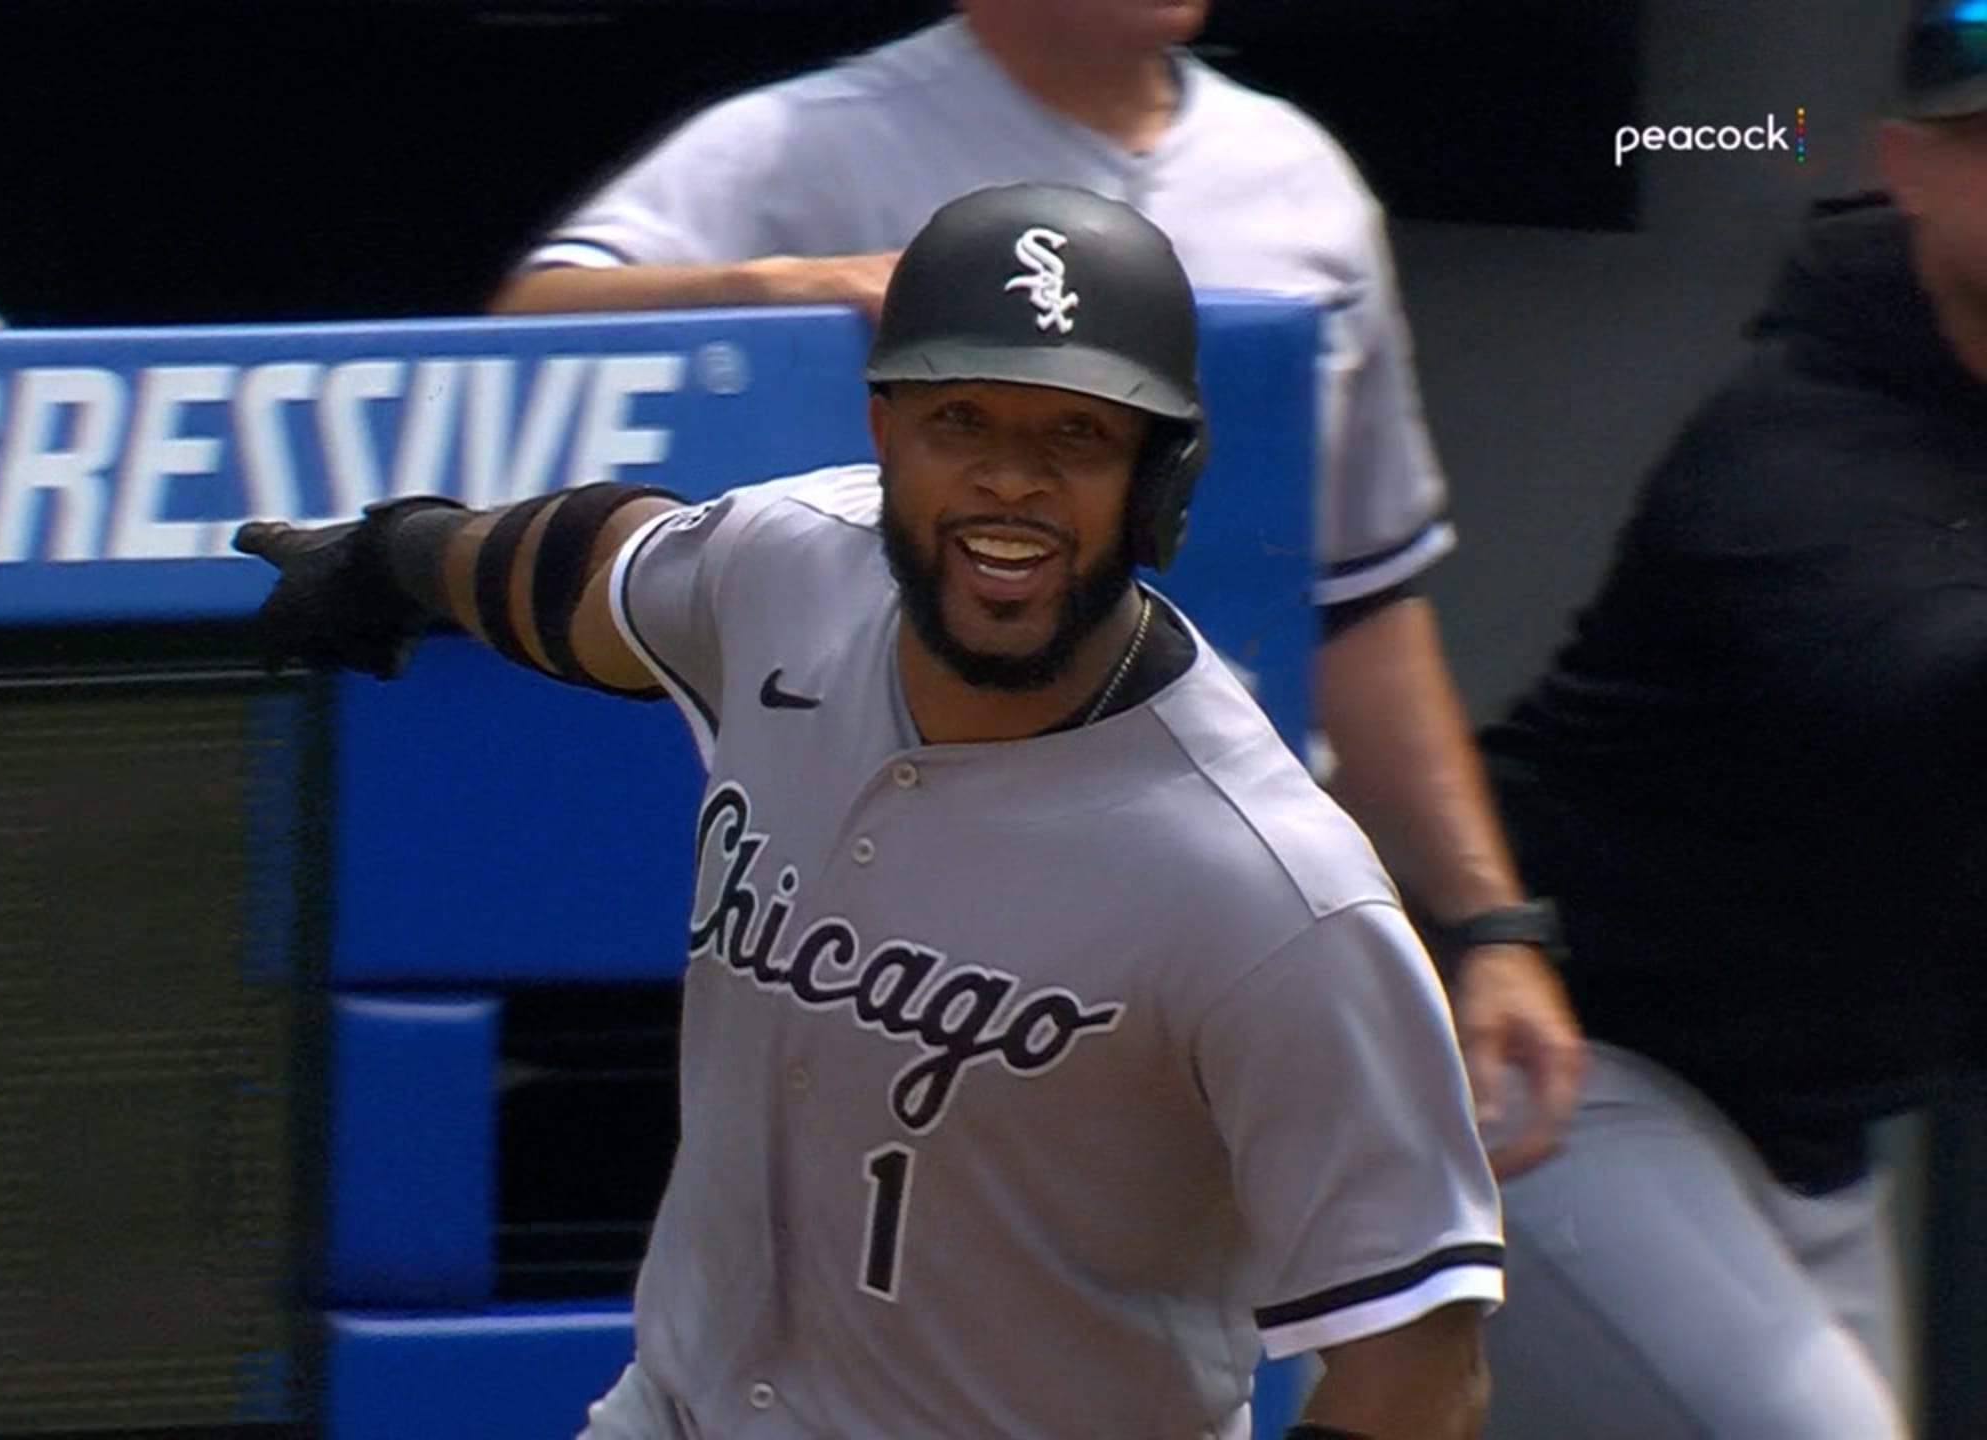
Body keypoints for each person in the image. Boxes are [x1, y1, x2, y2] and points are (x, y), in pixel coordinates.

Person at [240, 183, 1502, 1440]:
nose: (1009, 483)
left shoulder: (1272, 895)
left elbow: (1416, 1370)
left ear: (1159, 478)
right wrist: (395, 553)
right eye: (962, 420)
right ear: (884, 433)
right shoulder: (788, 566)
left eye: (1075, 438)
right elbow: (590, 569)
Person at [488, 0, 1585, 1176]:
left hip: (1218, 912)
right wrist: (783, 288)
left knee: (1271, 1328)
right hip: (904, 930)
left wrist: (1486, 925)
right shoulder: (815, 140)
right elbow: (530, 329)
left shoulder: (1296, 180)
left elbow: (1356, 603)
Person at [1471, 4, 1987, 1435]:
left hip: (1804, 1115)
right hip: (1556, 1059)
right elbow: (1921, 682)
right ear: (1911, 169)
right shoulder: (1791, 441)